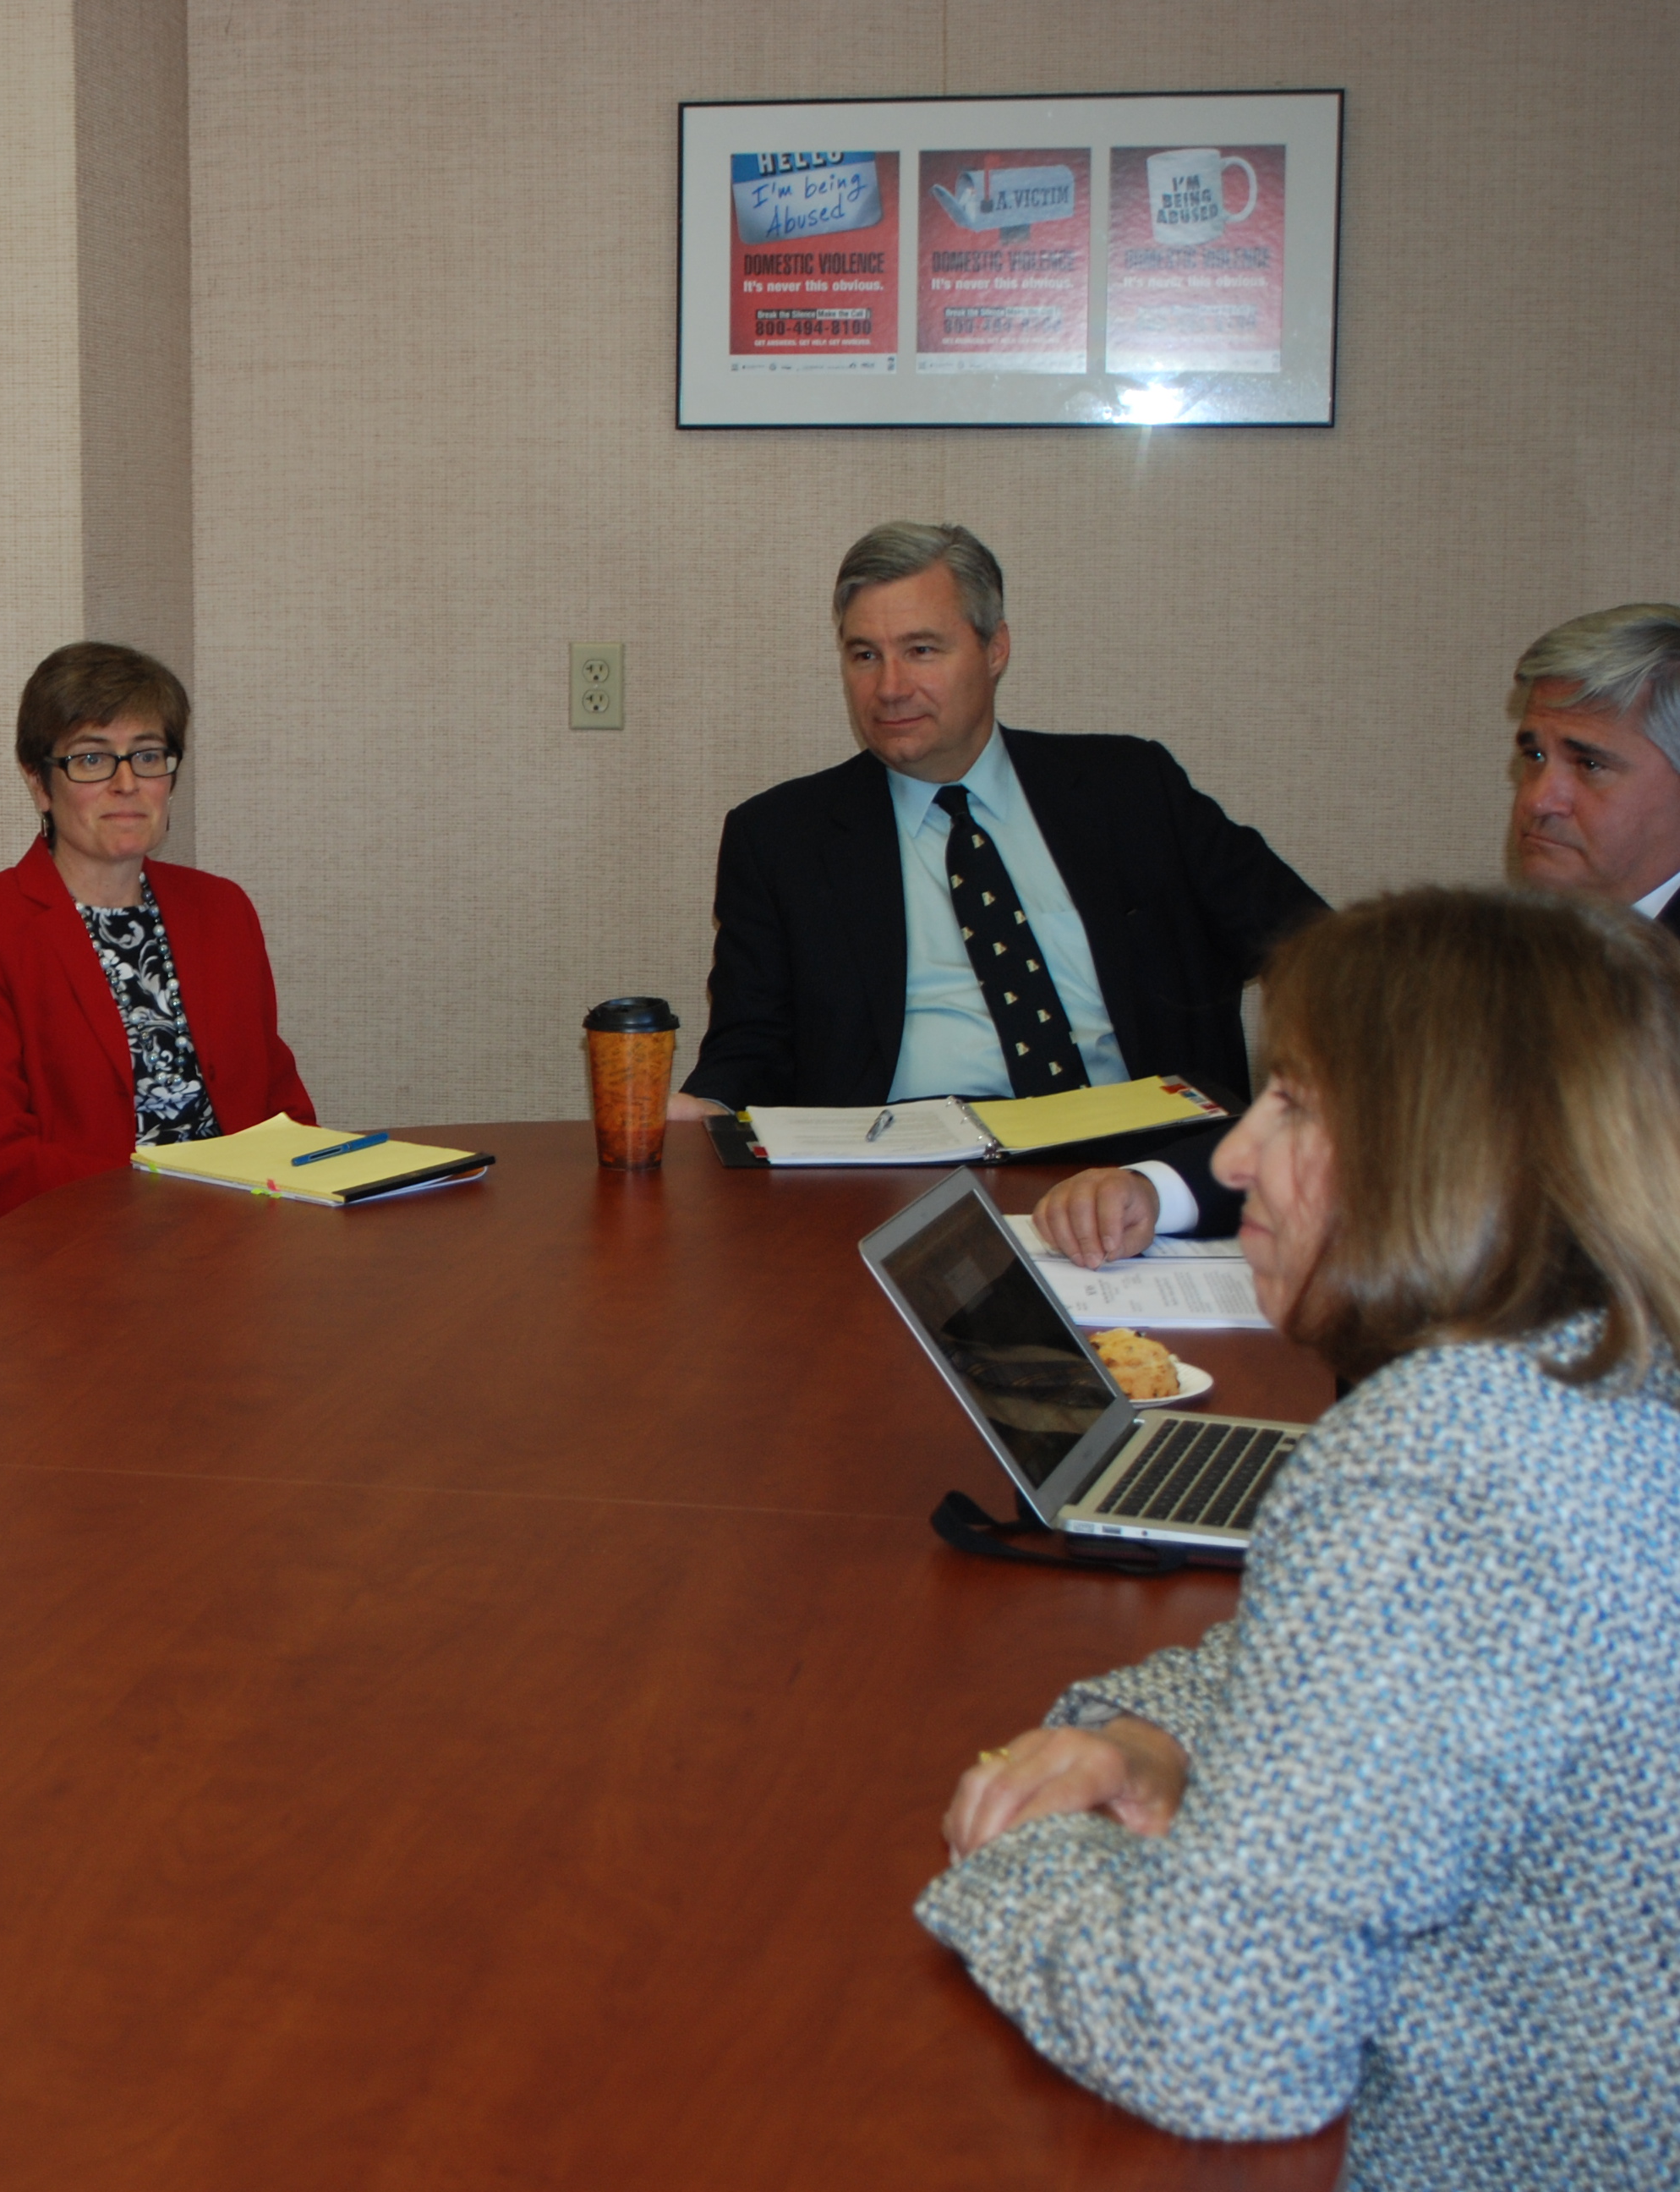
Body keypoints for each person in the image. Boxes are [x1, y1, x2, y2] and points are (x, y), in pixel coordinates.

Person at [922, 885, 1680, 2189]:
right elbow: (1378, 1672)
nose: (1230, 1158)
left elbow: (1222, 2042)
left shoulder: (1433, 1473)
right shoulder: (1597, 1371)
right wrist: (1143, 1734)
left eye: (1298, 1104)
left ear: (1438, 1146)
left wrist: (1023, 1850)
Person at [1038, 601, 1680, 1265]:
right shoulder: (1504, 950)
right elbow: (1342, 1117)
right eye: (1536, 755)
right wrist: (1151, 1190)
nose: (1541, 797)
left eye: (1590, 765)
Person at [671, 520, 1322, 1118]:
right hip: (896, 1180)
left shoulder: (1129, 791)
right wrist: (709, 1107)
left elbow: (1319, 947)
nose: (890, 687)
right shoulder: (781, 838)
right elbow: (749, 1047)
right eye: (864, 655)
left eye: (922, 650)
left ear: (995, 649)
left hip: (1137, 1167)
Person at [0, 641, 316, 1247]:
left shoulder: (220, 909)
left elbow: (280, 1108)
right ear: (40, 783)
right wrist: (187, 1201)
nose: (127, 784)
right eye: (92, 760)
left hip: (227, 1244)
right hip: (48, 1255)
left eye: (148, 756)